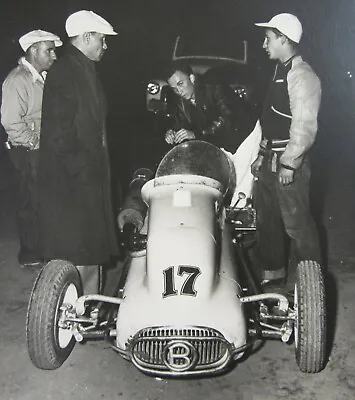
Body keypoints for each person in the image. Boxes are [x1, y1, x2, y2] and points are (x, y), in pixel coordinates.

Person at [38, 10, 119, 294]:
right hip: (74, 181)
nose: (105, 46)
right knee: (77, 249)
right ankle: (76, 311)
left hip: (87, 176)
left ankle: (89, 306)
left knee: (89, 248)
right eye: (102, 39)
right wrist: (84, 168)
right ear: (86, 37)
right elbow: (60, 131)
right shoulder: (65, 72)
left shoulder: (83, 69)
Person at [252, 13, 322, 284]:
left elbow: (305, 126)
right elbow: (271, 119)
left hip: (287, 163)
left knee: (297, 226)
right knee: (267, 222)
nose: (264, 44)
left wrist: (290, 163)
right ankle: (273, 282)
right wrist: (261, 154)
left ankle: (311, 284)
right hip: (270, 158)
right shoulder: (279, 71)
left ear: (284, 38)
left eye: (268, 38)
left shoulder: (302, 76)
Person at [1, 30, 62, 267]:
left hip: (40, 150)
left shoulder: (40, 77)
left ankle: (44, 248)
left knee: (43, 200)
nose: (54, 56)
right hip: (26, 151)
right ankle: (30, 253)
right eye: (49, 50)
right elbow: (10, 121)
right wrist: (34, 142)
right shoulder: (18, 80)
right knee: (30, 202)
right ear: (34, 50)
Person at [164, 61, 259, 204]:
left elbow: (227, 120)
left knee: (241, 187)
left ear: (192, 78)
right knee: (223, 182)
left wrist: (196, 134)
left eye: (181, 84)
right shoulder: (181, 100)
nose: (179, 91)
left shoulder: (214, 87)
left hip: (245, 137)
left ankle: (239, 219)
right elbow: (183, 122)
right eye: (174, 88)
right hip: (220, 140)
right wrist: (172, 132)